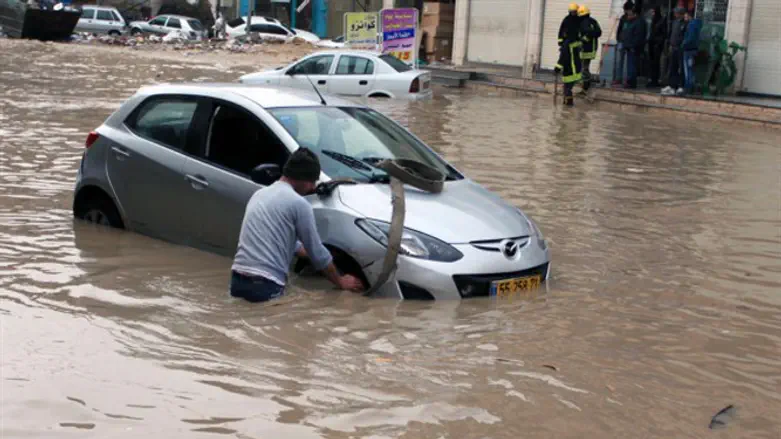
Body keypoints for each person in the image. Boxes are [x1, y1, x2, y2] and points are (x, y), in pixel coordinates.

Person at [230, 148, 364, 303]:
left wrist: (331, 255)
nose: (313, 188)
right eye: (312, 182)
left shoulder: (259, 195)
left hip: (237, 280)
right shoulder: (299, 203)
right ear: (304, 179)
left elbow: (287, 244)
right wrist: (340, 281)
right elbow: (317, 254)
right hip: (265, 283)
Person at [555, 3, 583, 106]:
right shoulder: (567, 20)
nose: (573, 13)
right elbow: (560, 32)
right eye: (572, 12)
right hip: (574, 67)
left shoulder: (577, 22)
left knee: (567, 88)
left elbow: (563, 57)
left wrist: (557, 67)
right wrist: (560, 42)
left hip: (570, 69)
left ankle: (568, 104)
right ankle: (568, 105)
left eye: (574, 12)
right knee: (568, 87)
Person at [661, 7, 687, 96]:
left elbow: (684, 36)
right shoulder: (674, 22)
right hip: (673, 47)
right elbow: (671, 34)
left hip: (680, 48)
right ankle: (672, 85)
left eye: (676, 13)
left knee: (681, 68)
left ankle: (680, 86)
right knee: (672, 67)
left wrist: (681, 45)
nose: (675, 14)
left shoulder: (685, 23)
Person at [577, 4, 601, 93]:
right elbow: (598, 32)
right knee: (584, 66)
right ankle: (585, 83)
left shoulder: (584, 22)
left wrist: (584, 39)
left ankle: (586, 86)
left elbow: (589, 33)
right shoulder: (593, 21)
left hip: (585, 48)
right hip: (592, 48)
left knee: (583, 67)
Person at [620, 6, 646, 89]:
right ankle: (629, 81)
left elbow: (638, 37)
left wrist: (633, 46)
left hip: (633, 48)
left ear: (635, 14)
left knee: (632, 65)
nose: (628, 16)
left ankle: (631, 82)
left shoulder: (639, 23)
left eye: (630, 15)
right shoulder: (630, 22)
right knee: (629, 65)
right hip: (628, 46)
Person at [612, 1, 634, 87]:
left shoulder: (634, 18)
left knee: (628, 63)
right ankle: (618, 78)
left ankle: (627, 80)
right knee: (619, 61)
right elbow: (619, 28)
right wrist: (618, 38)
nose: (626, 11)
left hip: (629, 43)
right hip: (621, 41)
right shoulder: (623, 17)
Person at [681, 10, 702, 95]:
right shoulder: (697, 24)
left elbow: (690, 38)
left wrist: (683, 44)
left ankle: (688, 87)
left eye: (686, 17)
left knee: (688, 70)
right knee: (691, 69)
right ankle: (691, 87)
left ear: (690, 16)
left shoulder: (691, 25)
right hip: (693, 50)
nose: (685, 19)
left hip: (689, 50)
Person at [646, 6, 666, 88]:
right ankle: (652, 79)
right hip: (651, 44)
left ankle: (655, 80)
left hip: (657, 45)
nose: (652, 14)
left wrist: (658, 42)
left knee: (656, 63)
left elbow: (663, 34)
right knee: (651, 63)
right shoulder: (653, 21)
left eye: (654, 12)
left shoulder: (661, 21)